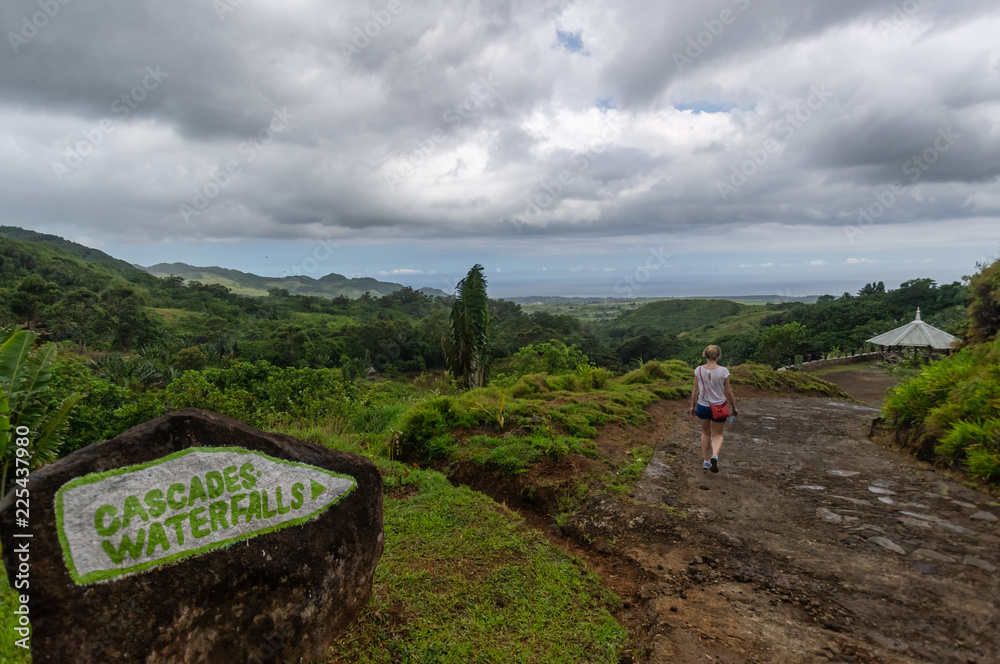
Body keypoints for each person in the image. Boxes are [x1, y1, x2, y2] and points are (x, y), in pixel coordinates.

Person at [690, 345, 738, 473]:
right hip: (719, 407)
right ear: (718, 356)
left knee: (705, 433)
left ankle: (706, 462)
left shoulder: (698, 370)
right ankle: (715, 456)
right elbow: (728, 391)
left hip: (703, 405)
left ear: (705, 355)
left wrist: (693, 407)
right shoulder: (723, 371)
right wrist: (733, 407)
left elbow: (695, 390)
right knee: (718, 434)